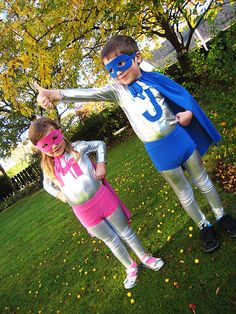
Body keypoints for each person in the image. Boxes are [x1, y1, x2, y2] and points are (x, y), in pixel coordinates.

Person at [34, 35, 236, 253]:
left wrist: (186, 113)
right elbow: (89, 93)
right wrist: (55, 95)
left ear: (137, 57)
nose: (118, 72)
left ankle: (221, 214)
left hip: (181, 140)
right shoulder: (117, 92)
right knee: (184, 192)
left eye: (120, 64)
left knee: (202, 180)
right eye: (111, 70)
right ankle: (203, 225)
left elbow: (179, 99)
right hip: (161, 153)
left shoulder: (155, 78)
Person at [28, 117, 164, 289]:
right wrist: (58, 193)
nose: (53, 146)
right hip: (83, 212)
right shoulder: (48, 167)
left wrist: (101, 164)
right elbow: (46, 185)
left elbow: (100, 144)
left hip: (102, 198)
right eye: (45, 145)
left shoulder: (78, 147)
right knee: (110, 240)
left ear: (59, 131)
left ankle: (145, 257)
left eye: (54, 138)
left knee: (125, 231)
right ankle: (130, 267)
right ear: (39, 148)